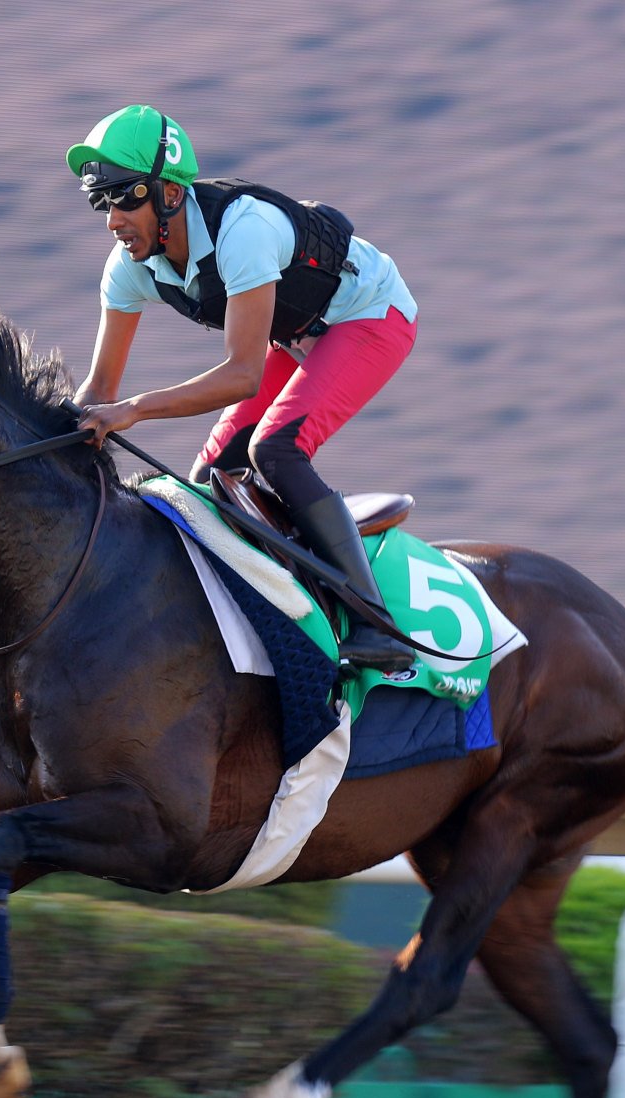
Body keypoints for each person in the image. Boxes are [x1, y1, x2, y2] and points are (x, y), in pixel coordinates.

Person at [68, 104, 419, 673]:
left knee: (274, 449)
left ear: (171, 195)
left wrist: (131, 411)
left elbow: (241, 375)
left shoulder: (244, 230)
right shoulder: (127, 266)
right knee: (206, 483)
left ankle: (378, 629)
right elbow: (99, 388)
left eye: (125, 196)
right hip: (295, 333)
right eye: (101, 202)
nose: (112, 219)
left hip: (371, 317)